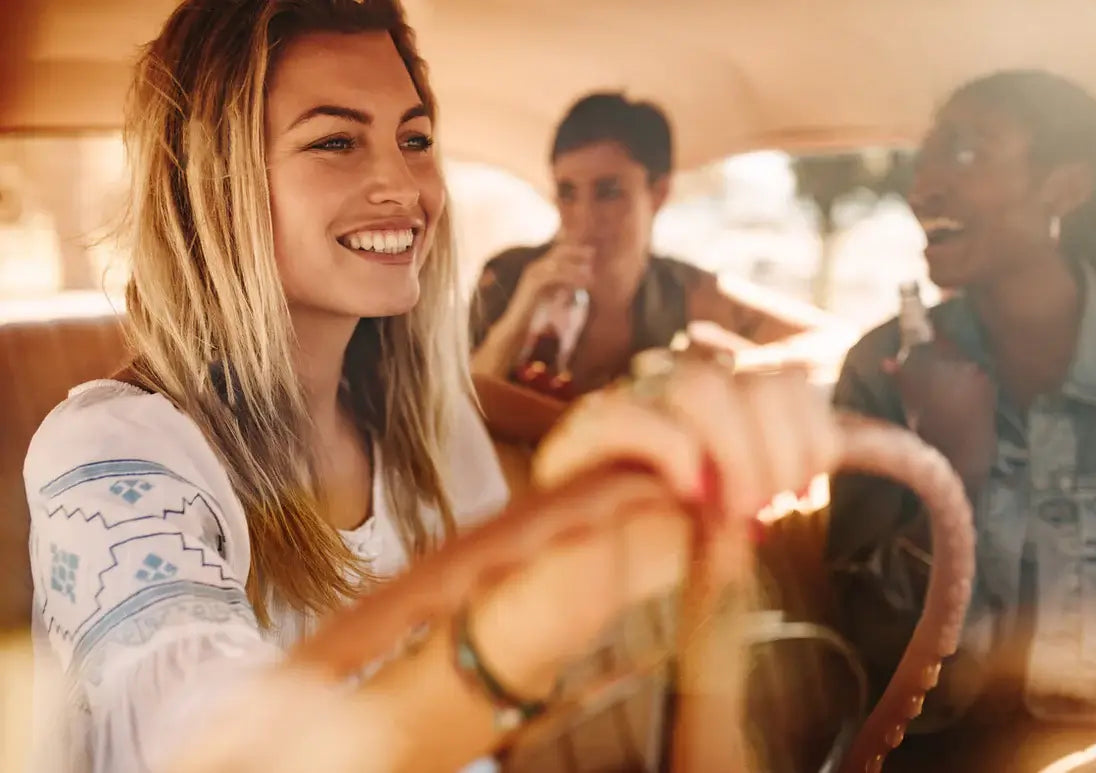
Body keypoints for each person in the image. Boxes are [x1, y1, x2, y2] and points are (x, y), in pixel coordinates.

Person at [23, 2, 837, 772]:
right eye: (336, 143)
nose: (405, 188)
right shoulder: (108, 454)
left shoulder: (435, 431)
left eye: (414, 139)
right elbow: (211, 747)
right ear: (214, 183)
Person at [826, 70, 1096, 772]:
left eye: (967, 151)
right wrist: (950, 473)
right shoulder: (881, 369)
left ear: (1063, 189)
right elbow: (861, 652)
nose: (924, 189)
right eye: (929, 155)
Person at [470, 92, 815, 397]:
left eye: (608, 192)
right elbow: (458, 402)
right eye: (568, 193)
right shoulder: (510, 276)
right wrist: (519, 316)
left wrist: (726, 368)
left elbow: (829, 340)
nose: (584, 217)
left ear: (658, 192)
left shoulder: (685, 291)